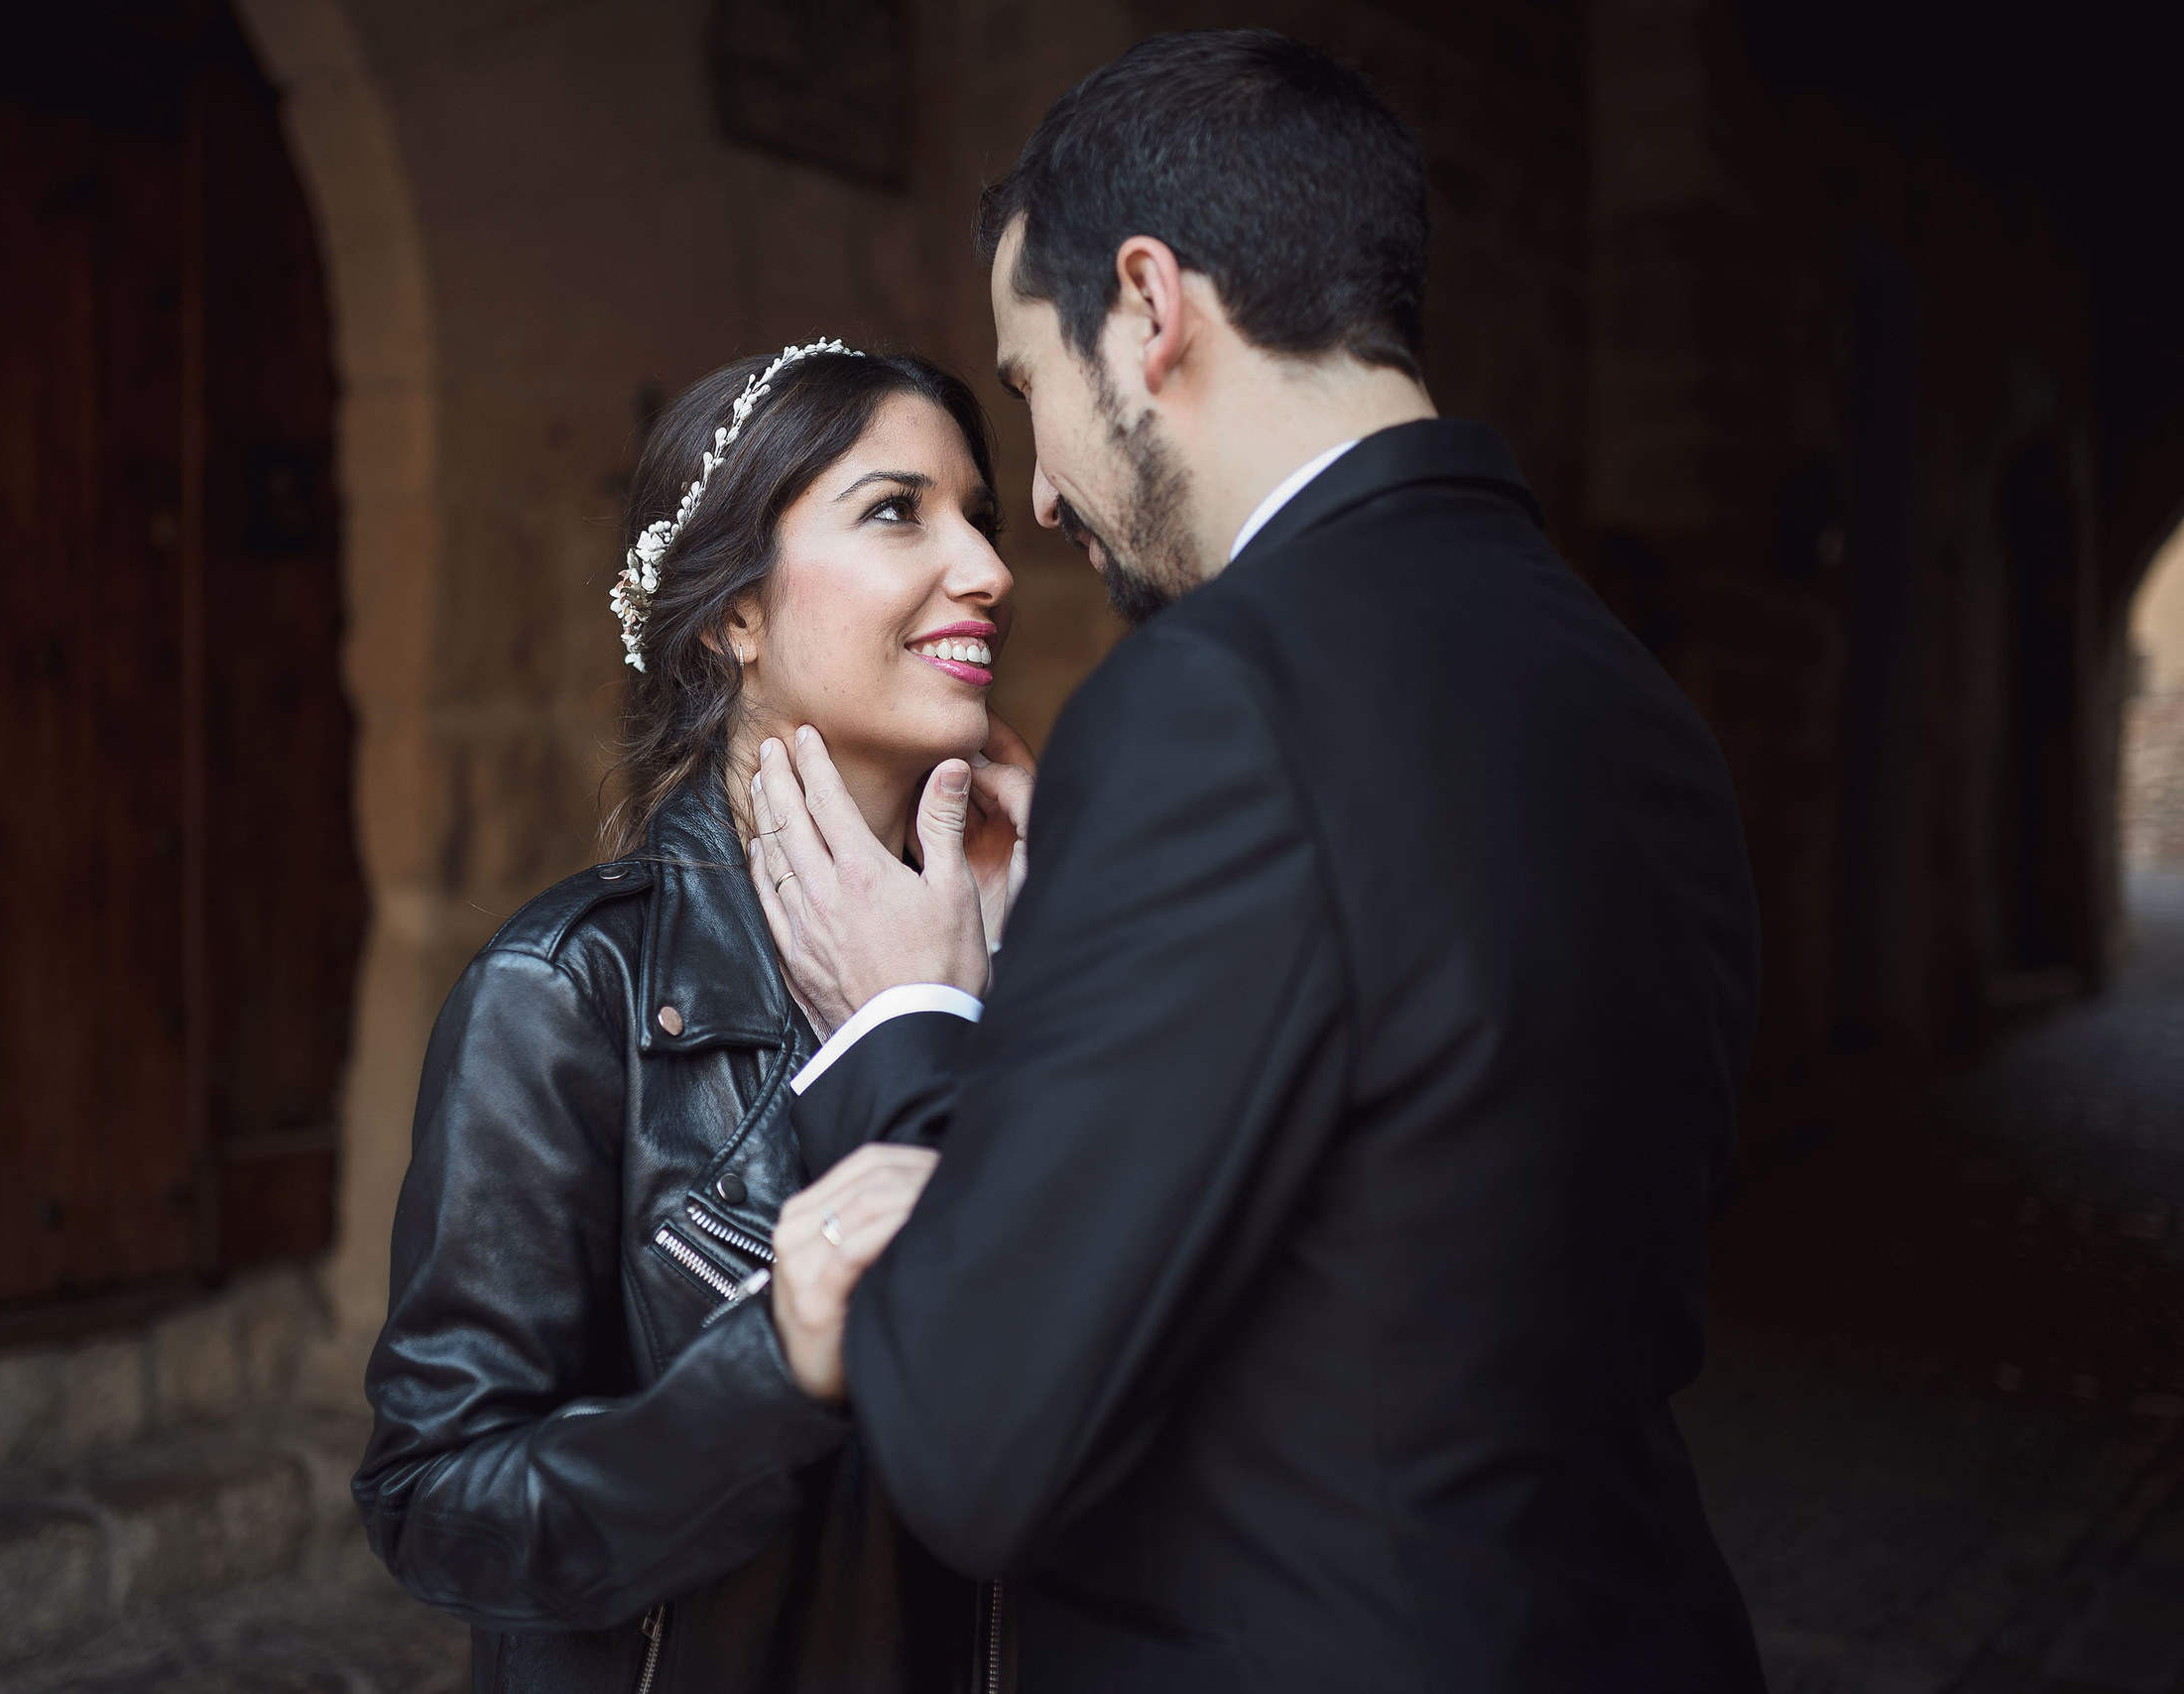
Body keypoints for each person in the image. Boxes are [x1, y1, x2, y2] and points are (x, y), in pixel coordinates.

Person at [744, 31, 1771, 1693]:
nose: (1051, 508)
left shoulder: (1216, 700)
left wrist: (908, 1032)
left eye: (1028, 388)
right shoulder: (1630, 697)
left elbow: (974, 1435)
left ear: (1150, 311)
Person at [352, 341, 1032, 1693]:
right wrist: (773, 1366)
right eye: (900, 509)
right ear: (733, 615)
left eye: (981, 516)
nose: (990, 569)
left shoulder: (1045, 944)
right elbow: (439, 1507)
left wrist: (1054, 972)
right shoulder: (565, 994)